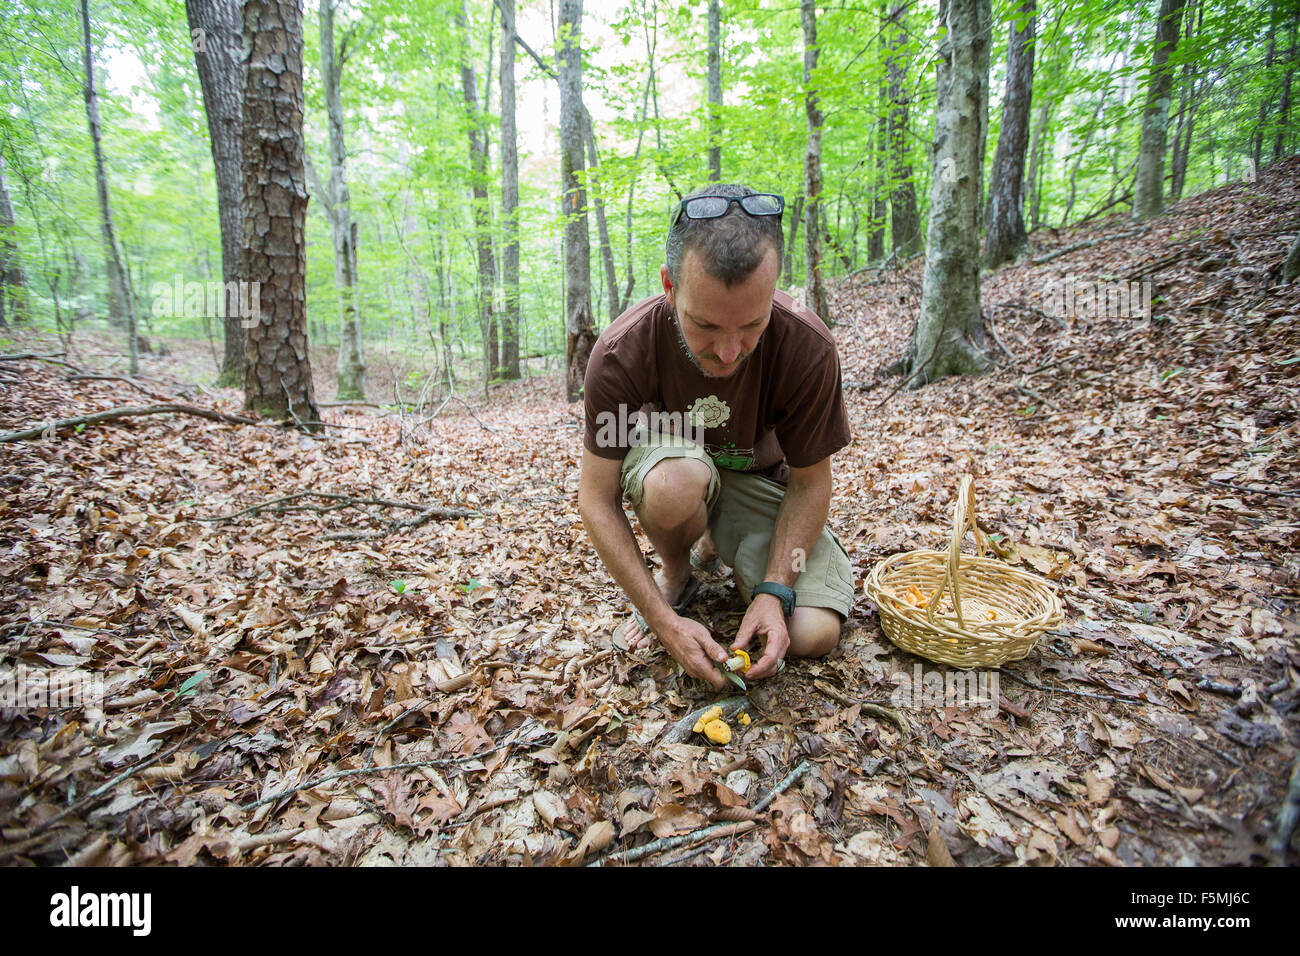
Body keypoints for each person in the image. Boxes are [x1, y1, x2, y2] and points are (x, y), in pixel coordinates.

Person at [577, 183, 855, 690]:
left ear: (774, 290)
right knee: (674, 485)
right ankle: (679, 572)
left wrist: (775, 592)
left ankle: (721, 540)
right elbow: (595, 499)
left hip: (758, 476)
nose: (729, 352)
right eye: (705, 325)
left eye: (752, 324)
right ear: (668, 286)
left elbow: (812, 484)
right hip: (676, 466)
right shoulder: (621, 352)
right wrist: (664, 623)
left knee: (813, 632)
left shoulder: (808, 346)